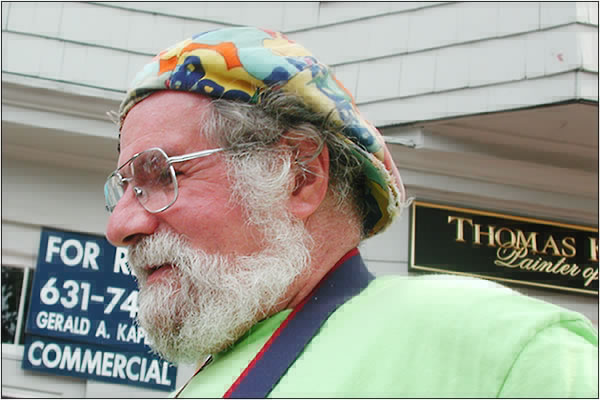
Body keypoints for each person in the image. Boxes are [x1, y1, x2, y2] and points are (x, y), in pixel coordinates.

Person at [105, 27, 598, 398]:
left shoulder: (503, 348)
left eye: (160, 175)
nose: (119, 226)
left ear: (300, 176)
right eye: (123, 189)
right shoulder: (211, 375)